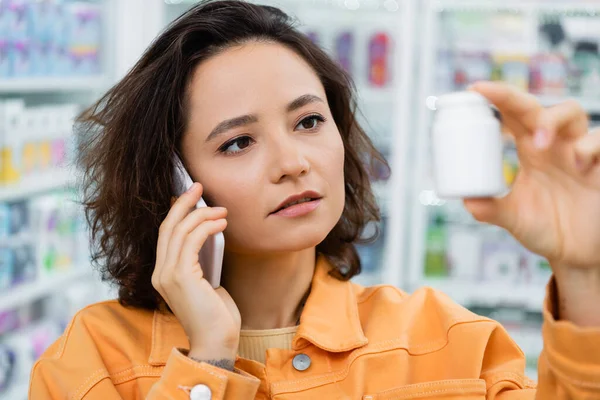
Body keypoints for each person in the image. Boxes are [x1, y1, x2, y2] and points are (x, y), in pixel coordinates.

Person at [30, 1, 600, 399]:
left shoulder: (445, 340)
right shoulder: (92, 363)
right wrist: (206, 363)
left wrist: (584, 273)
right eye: (239, 141)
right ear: (172, 180)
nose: (293, 162)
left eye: (307, 120)